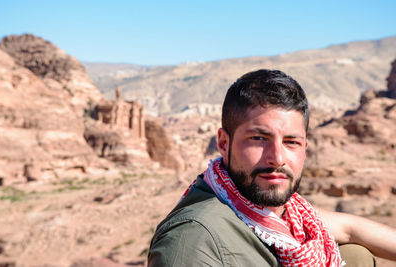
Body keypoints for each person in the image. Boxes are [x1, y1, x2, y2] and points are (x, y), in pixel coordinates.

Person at [148, 69, 396, 266]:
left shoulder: (288, 215)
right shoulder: (193, 239)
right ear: (224, 143)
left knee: (354, 255)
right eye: (258, 139)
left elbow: (351, 229)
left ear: (305, 147)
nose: (277, 158)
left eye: (291, 142)